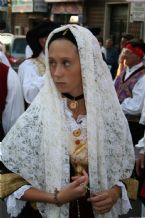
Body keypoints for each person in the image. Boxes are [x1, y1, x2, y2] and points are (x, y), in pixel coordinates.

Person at [1, 24, 135, 218]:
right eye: (52, 62)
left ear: (88, 64)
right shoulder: (37, 117)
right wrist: (55, 197)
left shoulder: (109, 117)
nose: (56, 73)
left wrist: (114, 193)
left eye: (66, 63)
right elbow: (7, 179)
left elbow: (126, 172)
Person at [18, 21, 60, 106]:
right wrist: (50, 74)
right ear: (42, 41)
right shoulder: (29, 65)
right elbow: (30, 96)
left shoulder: (67, 63)